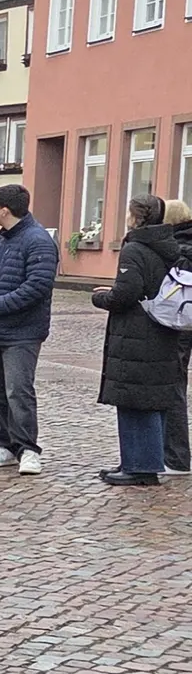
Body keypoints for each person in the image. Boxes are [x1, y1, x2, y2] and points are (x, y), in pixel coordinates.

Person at [0, 182, 58, 475]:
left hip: (22, 332)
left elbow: (37, 287)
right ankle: (5, 444)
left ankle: (28, 448)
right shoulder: (2, 241)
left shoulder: (37, 241)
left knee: (18, 390)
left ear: (4, 210)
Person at [89, 196, 182, 486]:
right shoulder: (168, 246)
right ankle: (141, 459)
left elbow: (127, 294)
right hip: (163, 329)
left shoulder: (135, 248)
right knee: (152, 398)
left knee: (132, 398)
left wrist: (101, 297)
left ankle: (139, 466)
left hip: (136, 331)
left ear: (135, 217)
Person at [164, 199, 192, 477]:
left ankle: (176, 457)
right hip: (189, 319)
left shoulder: (174, 249)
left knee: (172, 384)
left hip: (176, 320)